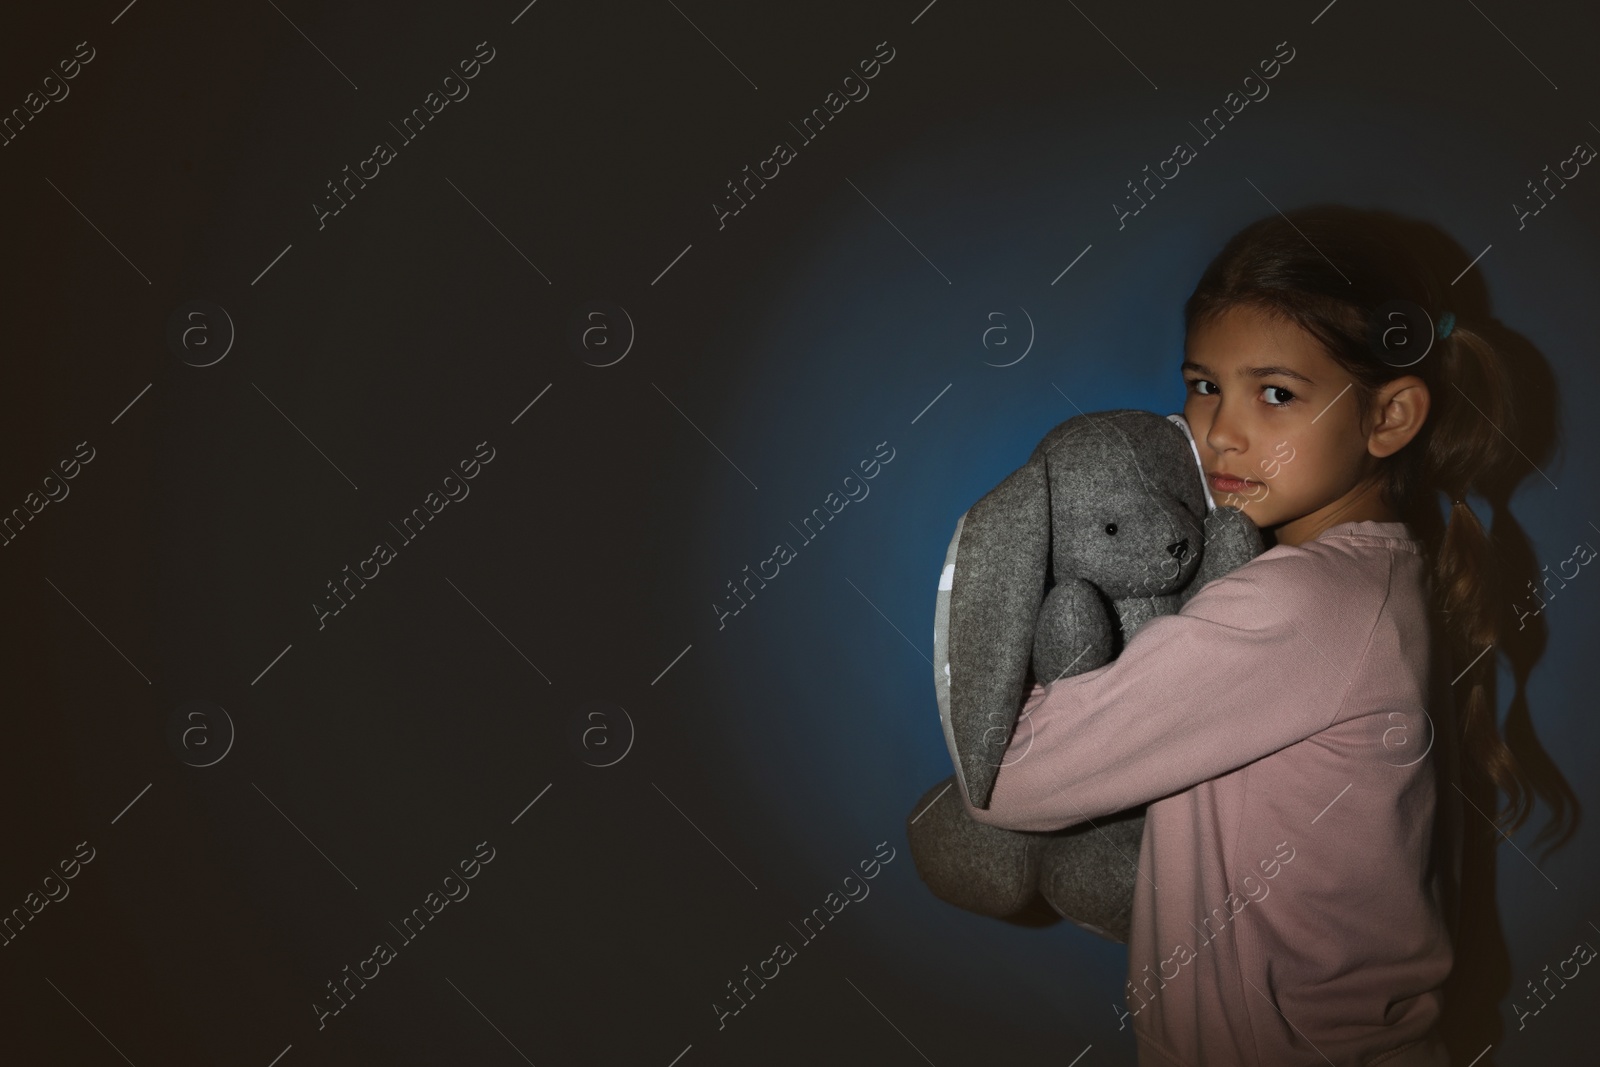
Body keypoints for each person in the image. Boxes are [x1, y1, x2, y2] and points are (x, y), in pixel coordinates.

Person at [959, 205, 1559, 1065]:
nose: (1221, 430)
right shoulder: (1373, 573)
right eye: (1204, 383)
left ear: (1389, 418)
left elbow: (1005, 777)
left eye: (1276, 393)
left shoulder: (1299, 604)